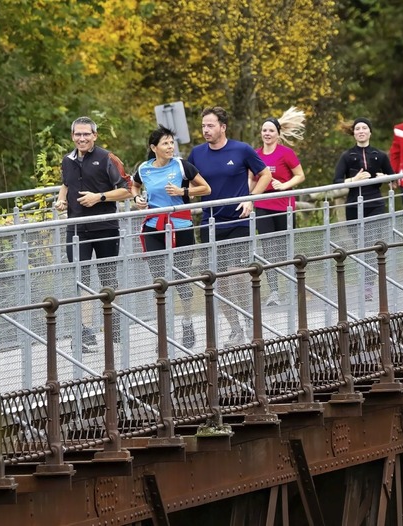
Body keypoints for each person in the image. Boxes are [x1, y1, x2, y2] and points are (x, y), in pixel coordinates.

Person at [187, 107, 272, 346]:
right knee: (220, 279)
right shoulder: (196, 154)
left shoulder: (241, 149)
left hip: (238, 220)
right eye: (203, 125)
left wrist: (251, 198)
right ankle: (235, 329)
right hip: (210, 223)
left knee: (238, 275)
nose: (206, 130)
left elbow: (264, 174)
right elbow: (186, 180)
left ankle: (249, 321)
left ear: (223, 127)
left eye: (211, 125)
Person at [55, 116, 132, 350]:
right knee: (81, 281)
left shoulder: (107, 158)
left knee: (108, 278)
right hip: (76, 229)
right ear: (72, 136)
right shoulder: (67, 160)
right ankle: (85, 333)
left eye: (86, 134)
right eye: (77, 134)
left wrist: (99, 197)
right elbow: (66, 184)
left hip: (105, 226)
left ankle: (114, 326)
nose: (82, 138)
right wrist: (60, 200)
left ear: (95, 136)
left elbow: (127, 190)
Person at [131, 126, 211, 349]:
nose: (170, 147)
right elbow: (134, 186)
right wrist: (137, 199)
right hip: (153, 227)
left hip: (181, 226)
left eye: (171, 142)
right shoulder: (144, 168)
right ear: (153, 148)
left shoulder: (181, 166)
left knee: (182, 279)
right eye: (165, 143)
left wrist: (183, 192)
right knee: (160, 282)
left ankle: (186, 322)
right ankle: (163, 332)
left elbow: (206, 188)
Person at [334, 117, 394, 300]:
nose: (361, 131)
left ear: (370, 132)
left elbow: (394, 178)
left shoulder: (380, 155)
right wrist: (354, 180)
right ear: (353, 133)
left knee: (373, 244)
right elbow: (335, 181)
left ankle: (368, 286)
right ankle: (365, 281)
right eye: (357, 128)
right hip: (353, 205)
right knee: (360, 247)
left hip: (375, 204)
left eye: (364, 128)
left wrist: (384, 177)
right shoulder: (347, 156)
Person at [253, 107, 306, 307]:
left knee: (285, 248)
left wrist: (283, 186)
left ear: (277, 134)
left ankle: (293, 286)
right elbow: (251, 179)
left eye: (270, 131)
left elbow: (300, 175)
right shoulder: (256, 154)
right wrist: (248, 196)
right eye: (264, 130)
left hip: (284, 204)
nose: (267, 134)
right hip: (263, 204)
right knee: (268, 248)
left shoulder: (286, 153)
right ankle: (274, 291)